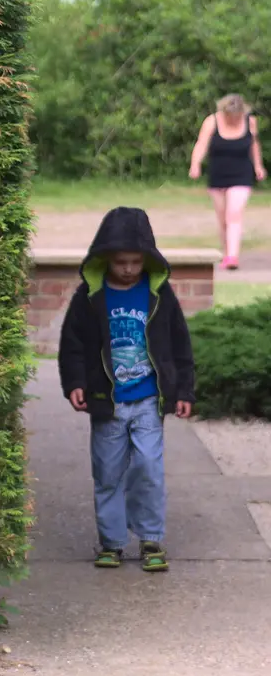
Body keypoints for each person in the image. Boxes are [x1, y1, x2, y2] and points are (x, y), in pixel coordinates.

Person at [58, 206, 195, 573]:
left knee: (149, 468)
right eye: (121, 262)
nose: (129, 269)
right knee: (108, 473)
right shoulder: (91, 297)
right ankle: (113, 542)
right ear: (105, 258)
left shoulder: (158, 295)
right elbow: (72, 344)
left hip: (148, 399)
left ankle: (151, 538)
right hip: (108, 402)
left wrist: (183, 391)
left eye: (136, 261)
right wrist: (74, 383)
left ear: (148, 259)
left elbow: (180, 345)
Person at [189, 93, 266, 269]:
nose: (234, 119)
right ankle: (226, 252)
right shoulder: (211, 121)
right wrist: (195, 164)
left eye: (237, 116)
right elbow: (201, 144)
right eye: (231, 116)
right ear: (224, 111)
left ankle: (233, 256)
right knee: (223, 218)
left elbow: (254, 145)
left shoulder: (250, 122)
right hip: (218, 175)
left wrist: (258, 166)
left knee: (234, 214)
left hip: (242, 175)